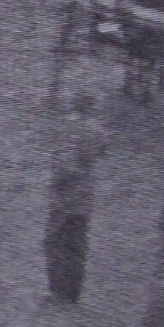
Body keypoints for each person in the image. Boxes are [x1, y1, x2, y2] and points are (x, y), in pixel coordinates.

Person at [43, 88, 106, 304]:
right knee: (78, 243)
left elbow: (65, 165)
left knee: (56, 241)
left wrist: (57, 182)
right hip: (85, 193)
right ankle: (73, 292)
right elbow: (102, 151)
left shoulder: (71, 127)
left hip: (66, 194)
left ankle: (57, 289)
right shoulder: (97, 129)